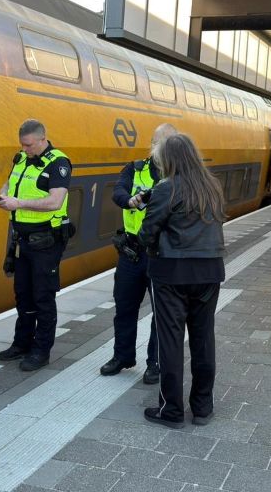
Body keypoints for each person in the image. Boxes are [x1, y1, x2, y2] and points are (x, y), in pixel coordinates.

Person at [138, 134, 225, 429]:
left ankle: (171, 410)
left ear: (169, 160)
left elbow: (147, 232)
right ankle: (202, 407)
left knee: (171, 341)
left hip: (172, 274)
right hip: (210, 272)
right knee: (203, 340)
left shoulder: (167, 188)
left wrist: (151, 249)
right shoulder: (211, 186)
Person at [101, 123, 178, 382]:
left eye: (167, 143)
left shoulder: (179, 176)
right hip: (132, 253)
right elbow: (118, 192)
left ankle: (154, 363)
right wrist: (129, 200)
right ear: (152, 143)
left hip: (162, 254)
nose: (161, 148)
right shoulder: (135, 169)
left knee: (161, 312)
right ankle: (122, 356)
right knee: (124, 307)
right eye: (158, 142)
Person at [0, 119, 73, 372]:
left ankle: (41, 351)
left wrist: (17, 203)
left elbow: (54, 201)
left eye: (28, 145)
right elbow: (10, 183)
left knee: (42, 296)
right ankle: (22, 343)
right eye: (22, 145)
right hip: (22, 240)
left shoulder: (58, 163)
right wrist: (4, 194)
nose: (25, 149)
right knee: (23, 294)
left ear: (42, 139)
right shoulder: (20, 158)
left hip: (46, 241)